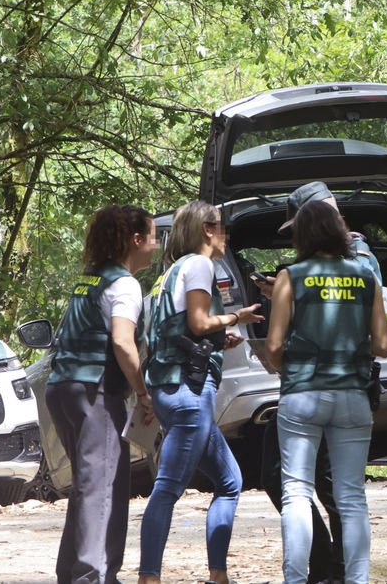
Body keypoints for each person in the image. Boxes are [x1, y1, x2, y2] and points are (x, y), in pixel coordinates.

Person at [257, 180, 383, 584]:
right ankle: (357, 579)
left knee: (295, 491)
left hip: (302, 394)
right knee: (351, 496)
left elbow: (274, 344)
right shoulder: (366, 275)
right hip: (352, 396)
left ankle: (295, 580)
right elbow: (383, 344)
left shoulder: (291, 277)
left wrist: (285, 367)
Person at [138, 201, 264, 584]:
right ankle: (149, 577)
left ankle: (218, 574)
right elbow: (197, 319)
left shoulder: (169, 274)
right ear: (207, 230)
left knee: (229, 482)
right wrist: (234, 317)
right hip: (190, 391)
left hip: (170, 386)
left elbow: (179, 330)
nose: (226, 235)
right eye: (222, 228)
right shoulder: (199, 264)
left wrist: (214, 337)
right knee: (168, 487)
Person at [46, 204, 157, 584]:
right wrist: (143, 393)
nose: (156, 245)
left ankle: (77, 574)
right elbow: (124, 344)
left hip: (62, 388)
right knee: (103, 486)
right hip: (95, 391)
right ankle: (92, 576)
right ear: (136, 239)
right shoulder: (124, 284)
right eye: (153, 236)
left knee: (87, 486)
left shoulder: (90, 278)